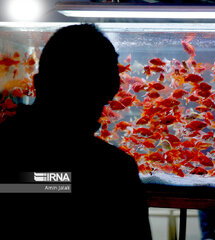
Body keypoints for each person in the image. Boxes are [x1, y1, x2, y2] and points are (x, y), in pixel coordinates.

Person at [0, 24, 152, 239]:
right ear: (109, 90)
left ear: (37, 83)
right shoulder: (111, 171)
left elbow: (24, 183)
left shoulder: (6, 147)